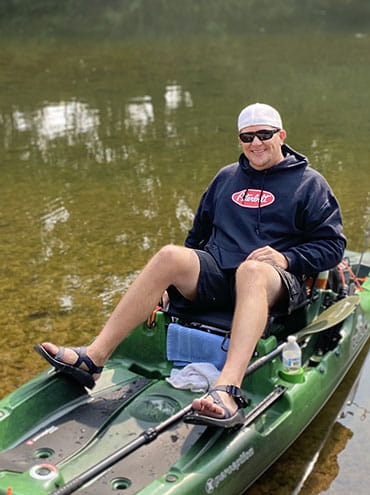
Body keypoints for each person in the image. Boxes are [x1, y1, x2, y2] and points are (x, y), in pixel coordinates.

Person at [35, 103, 346, 428]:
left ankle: (227, 389)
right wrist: (169, 284)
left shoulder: (310, 184)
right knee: (170, 255)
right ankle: (93, 359)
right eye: (247, 137)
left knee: (251, 272)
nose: (256, 144)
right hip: (220, 277)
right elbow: (196, 239)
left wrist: (287, 258)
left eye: (264, 135)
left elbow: (333, 246)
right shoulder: (225, 179)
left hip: (274, 283)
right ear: (239, 140)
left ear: (281, 136)